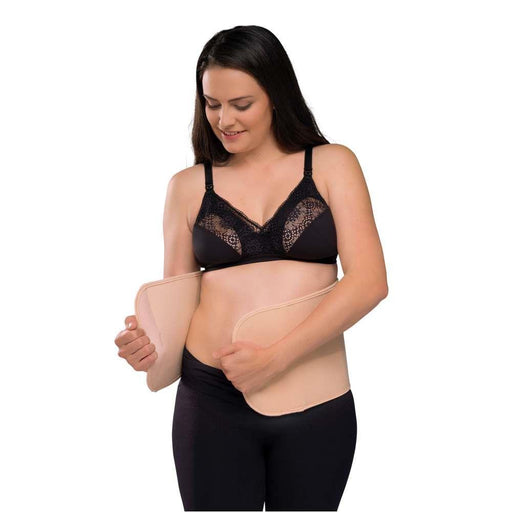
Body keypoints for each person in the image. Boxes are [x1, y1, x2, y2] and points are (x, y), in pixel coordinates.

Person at [115, 25, 388, 511]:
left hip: (314, 395)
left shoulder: (332, 164)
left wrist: (276, 358)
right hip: (211, 397)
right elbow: (177, 300)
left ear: (276, 96)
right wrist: (149, 349)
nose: (224, 119)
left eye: (241, 104)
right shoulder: (187, 186)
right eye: (212, 104)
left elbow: (370, 282)